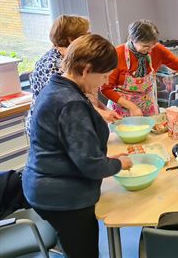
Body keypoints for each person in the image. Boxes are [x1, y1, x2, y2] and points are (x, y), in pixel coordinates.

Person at [23, 34, 133, 258]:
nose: (104, 82)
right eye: (103, 76)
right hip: (62, 196)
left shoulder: (59, 87)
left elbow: (74, 148)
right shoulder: (70, 102)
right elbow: (90, 165)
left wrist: (108, 160)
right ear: (86, 70)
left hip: (44, 186)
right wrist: (119, 164)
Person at [27, 15, 120, 136]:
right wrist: (99, 113)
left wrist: (104, 109)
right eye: (86, 34)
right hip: (50, 130)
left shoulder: (75, 60)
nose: (89, 36)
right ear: (71, 39)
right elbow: (66, 101)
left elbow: (86, 96)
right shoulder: (55, 64)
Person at [102, 20, 178, 116]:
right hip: (122, 109)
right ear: (132, 39)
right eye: (145, 46)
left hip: (147, 105)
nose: (149, 50)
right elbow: (106, 89)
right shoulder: (117, 55)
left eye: (152, 45)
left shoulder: (157, 49)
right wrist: (132, 107)